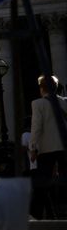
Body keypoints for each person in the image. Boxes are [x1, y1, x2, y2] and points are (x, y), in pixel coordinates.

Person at [29, 75, 67, 219]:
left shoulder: (38, 104)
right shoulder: (64, 102)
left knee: (42, 182)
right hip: (64, 147)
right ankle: (61, 209)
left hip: (47, 149)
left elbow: (36, 127)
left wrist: (33, 148)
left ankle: (37, 213)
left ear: (41, 88)